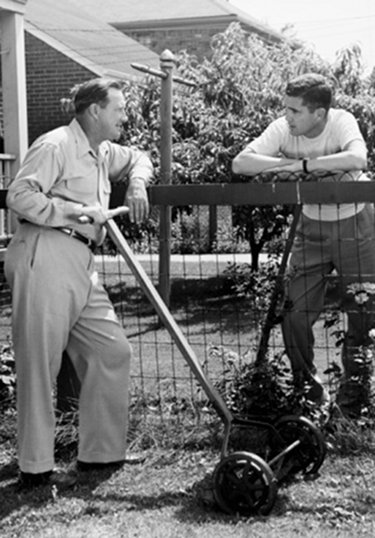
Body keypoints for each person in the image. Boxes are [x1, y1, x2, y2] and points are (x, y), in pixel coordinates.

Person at [5, 77, 153, 488]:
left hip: (82, 261)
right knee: (40, 364)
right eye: (118, 109)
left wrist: (137, 182)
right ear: (94, 112)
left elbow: (141, 157)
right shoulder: (55, 145)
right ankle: (35, 468)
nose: (124, 116)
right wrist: (77, 211)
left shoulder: (103, 150)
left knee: (112, 351)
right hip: (45, 252)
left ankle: (100, 456)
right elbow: (19, 196)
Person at [232, 72, 375, 417]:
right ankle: (309, 395)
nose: (287, 117)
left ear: (319, 114)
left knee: (363, 310)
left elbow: (358, 159)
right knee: (294, 313)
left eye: (295, 111)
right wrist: (290, 166)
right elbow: (242, 163)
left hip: (357, 223)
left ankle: (354, 399)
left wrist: (304, 167)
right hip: (310, 228)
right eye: (286, 109)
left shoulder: (342, 121)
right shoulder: (284, 128)